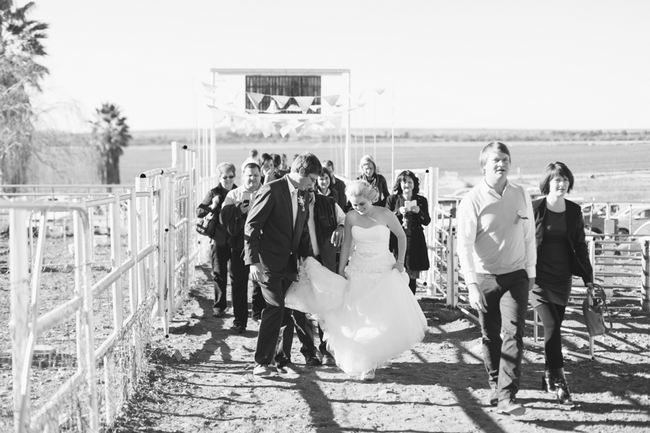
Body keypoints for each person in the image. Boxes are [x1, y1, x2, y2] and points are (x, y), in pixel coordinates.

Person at [286, 180, 427, 381]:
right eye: (354, 205)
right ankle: (367, 363)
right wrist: (342, 268)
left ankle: (376, 354)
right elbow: (346, 246)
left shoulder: (385, 214)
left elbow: (401, 237)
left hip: (383, 269)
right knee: (360, 315)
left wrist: (400, 261)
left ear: (371, 198)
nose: (359, 208)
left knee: (380, 314)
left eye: (363, 204)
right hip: (359, 269)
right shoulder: (351, 217)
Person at [456, 141, 536, 416]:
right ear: (484, 167)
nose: (501, 164)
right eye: (495, 161)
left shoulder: (520, 194)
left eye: (504, 159)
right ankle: (496, 385)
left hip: (516, 276)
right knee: (490, 337)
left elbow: (528, 236)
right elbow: (463, 245)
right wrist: (472, 285)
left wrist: (531, 272)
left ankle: (506, 395)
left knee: (514, 334)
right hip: (485, 277)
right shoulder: (472, 199)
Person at [245, 153, 322, 376]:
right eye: (312, 179)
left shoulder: (304, 195)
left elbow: (301, 229)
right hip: (267, 262)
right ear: (300, 173)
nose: (313, 184)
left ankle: (280, 359)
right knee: (275, 307)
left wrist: (307, 259)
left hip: (290, 263)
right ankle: (261, 361)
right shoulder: (271, 189)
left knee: (287, 310)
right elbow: (252, 227)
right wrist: (253, 261)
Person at [532, 161, 593, 406]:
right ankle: (559, 380)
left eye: (565, 179)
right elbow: (524, 241)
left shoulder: (574, 211)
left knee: (554, 327)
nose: (562, 183)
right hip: (537, 278)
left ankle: (548, 375)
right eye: (557, 179)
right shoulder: (535, 207)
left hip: (562, 278)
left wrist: (588, 277)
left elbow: (580, 245)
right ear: (548, 182)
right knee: (552, 326)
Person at [220, 158, 265, 333]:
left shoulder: (266, 191)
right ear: (243, 176)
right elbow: (224, 219)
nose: (252, 179)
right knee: (238, 284)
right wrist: (239, 210)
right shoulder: (234, 194)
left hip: (261, 245)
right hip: (239, 245)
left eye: (255, 175)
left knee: (260, 283)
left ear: (260, 175)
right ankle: (239, 321)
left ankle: (259, 315)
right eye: (249, 175)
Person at [304, 183, 346, 365]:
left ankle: (326, 349)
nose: (309, 189)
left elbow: (344, 220)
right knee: (304, 308)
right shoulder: (293, 203)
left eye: (311, 185)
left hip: (324, 260)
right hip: (303, 261)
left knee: (326, 307)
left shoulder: (328, 203)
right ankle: (309, 352)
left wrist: (341, 228)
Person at [196, 162, 237, 317]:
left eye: (230, 176)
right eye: (224, 177)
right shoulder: (213, 193)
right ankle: (219, 305)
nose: (227, 180)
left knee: (236, 275)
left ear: (235, 176)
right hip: (218, 239)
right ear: (219, 177)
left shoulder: (239, 191)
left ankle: (236, 304)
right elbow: (199, 211)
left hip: (235, 240)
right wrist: (212, 205)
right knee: (219, 274)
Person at [386, 170, 431, 294]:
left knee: (411, 278)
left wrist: (419, 212)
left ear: (414, 184)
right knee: (395, 274)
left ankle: (411, 306)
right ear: (399, 184)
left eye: (410, 182)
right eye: (404, 182)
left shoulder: (421, 200)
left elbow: (427, 221)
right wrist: (398, 212)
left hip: (414, 242)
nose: (407, 185)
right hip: (395, 242)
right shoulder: (392, 199)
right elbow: (385, 221)